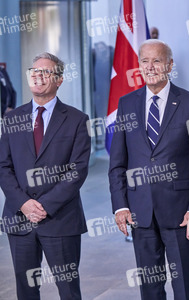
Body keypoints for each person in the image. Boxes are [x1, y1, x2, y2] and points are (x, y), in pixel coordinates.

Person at [108, 39, 189, 300]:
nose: (150, 66)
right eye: (145, 60)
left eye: (157, 60)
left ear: (170, 64)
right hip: (140, 212)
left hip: (180, 213)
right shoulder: (127, 104)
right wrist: (120, 206)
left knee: (184, 285)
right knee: (150, 287)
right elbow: (118, 163)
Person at [0, 52, 91, 299]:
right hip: (20, 219)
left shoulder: (76, 120)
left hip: (60, 219)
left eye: (46, 72)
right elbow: (3, 167)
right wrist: (24, 203)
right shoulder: (11, 119)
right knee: (26, 290)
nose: (38, 76)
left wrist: (44, 206)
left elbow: (77, 170)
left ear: (59, 80)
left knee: (68, 289)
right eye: (34, 72)